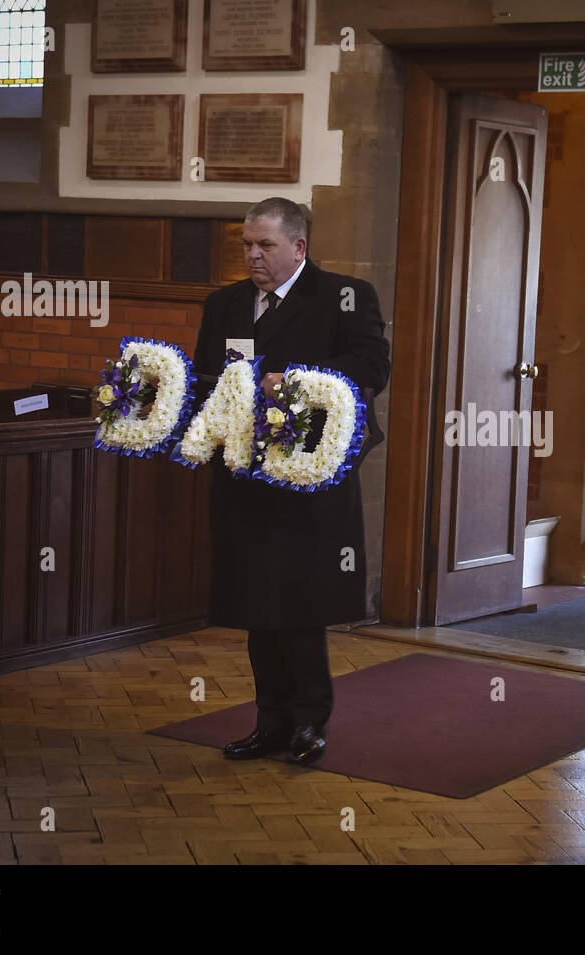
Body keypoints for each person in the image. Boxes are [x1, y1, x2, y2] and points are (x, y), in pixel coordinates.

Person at [191, 197, 391, 764]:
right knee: (257, 603)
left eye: (265, 246)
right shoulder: (225, 302)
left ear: (298, 247)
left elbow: (373, 367)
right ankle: (269, 723)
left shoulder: (344, 297)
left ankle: (310, 725)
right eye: (247, 245)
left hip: (310, 475)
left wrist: (298, 382)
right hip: (245, 475)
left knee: (302, 604)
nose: (252, 255)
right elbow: (209, 373)